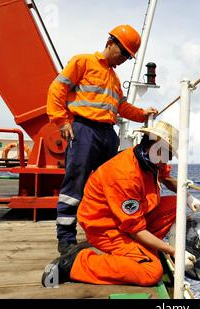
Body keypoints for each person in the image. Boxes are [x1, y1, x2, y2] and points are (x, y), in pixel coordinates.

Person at [42, 121, 200, 287]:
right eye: (168, 154)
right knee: (152, 272)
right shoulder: (125, 175)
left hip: (127, 219)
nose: (167, 160)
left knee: (178, 205)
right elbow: (135, 230)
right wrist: (174, 251)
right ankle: (76, 264)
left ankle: (138, 250)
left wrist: (188, 197)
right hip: (105, 228)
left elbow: (165, 177)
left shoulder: (151, 159)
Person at [46, 24, 159, 255]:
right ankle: (66, 239)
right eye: (124, 53)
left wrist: (142, 114)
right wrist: (62, 120)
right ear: (110, 43)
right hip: (84, 131)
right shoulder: (82, 62)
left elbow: (121, 107)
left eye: (129, 56)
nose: (126, 59)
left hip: (108, 135)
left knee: (112, 185)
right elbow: (57, 89)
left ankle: (109, 232)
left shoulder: (115, 80)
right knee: (74, 184)